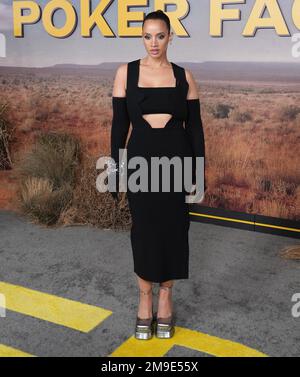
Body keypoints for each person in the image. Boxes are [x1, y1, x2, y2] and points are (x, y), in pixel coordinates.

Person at [108, 10, 206, 340]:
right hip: (140, 163)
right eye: (148, 36)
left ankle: (166, 298)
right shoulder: (126, 72)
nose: (154, 42)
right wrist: (115, 170)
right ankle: (144, 298)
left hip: (176, 164)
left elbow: (195, 129)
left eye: (160, 36)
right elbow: (119, 126)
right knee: (144, 231)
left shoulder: (184, 76)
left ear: (170, 37)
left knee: (175, 229)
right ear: (142, 37)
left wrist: (198, 172)